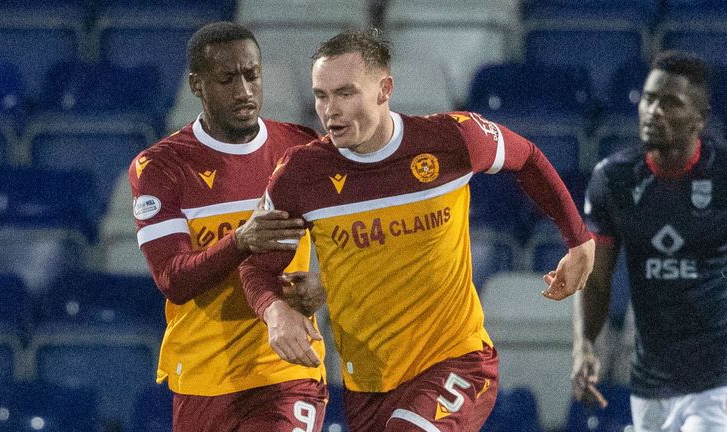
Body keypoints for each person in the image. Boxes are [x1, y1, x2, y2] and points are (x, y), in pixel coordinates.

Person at [239, 29, 595, 432]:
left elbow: (526, 157)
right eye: (321, 96)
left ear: (384, 88)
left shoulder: (451, 139)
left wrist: (578, 239)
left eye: (345, 93)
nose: (330, 111)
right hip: (368, 387)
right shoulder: (300, 175)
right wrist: (275, 312)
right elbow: (256, 264)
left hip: (458, 360)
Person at [128, 22, 328, 432]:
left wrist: (328, 283)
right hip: (204, 376)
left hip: (286, 370)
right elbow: (173, 279)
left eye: (251, 75)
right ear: (196, 85)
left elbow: (354, 234)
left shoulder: (300, 148)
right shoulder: (161, 168)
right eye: (226, 79)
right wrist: (240, 241)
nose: (244, 90)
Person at [573, 50, 727, 431]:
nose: (653, 110)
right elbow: (596, 278)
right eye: (649, 98)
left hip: (717, 383)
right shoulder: (614, 179)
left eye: (670, 102)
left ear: (699, 119)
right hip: (647, 383)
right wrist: (585, 344)